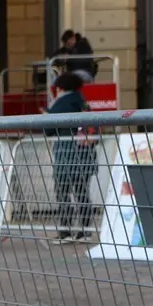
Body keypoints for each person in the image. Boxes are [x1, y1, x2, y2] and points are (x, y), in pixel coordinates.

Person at [44, 72, 97, 244]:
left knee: (63, 193)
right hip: (85, 155)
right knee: (82, 193)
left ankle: (66, 231)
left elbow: (48, 129)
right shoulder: (83, 102)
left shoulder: (60, 103)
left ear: (59, 87)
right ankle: (85, 231)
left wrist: (45, 116)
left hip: (66, 154)